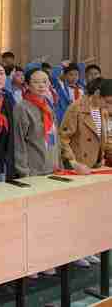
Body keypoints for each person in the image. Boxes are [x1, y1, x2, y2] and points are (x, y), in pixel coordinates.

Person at [59, 78, 112, 267]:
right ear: (97, 94)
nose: (109, 106)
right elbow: (63, 138)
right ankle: (75, 252)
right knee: (77, 214)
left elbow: (104, 139)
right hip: (79, 169)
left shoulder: (102, 111)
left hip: (96, 168)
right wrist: (73, 163)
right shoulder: (76, 108)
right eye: (108, 101)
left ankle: (89, 248)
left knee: (92, 213)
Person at [13, 68, 62, 178]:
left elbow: (54, 137)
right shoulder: (22, 108)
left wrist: (59, 164)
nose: (41, 85)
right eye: (36, 82)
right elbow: (18, 142)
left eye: (44, 81)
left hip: (52, 168)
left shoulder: (48, 106)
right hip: (34, 171)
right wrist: (24, 172)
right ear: (27, 85)